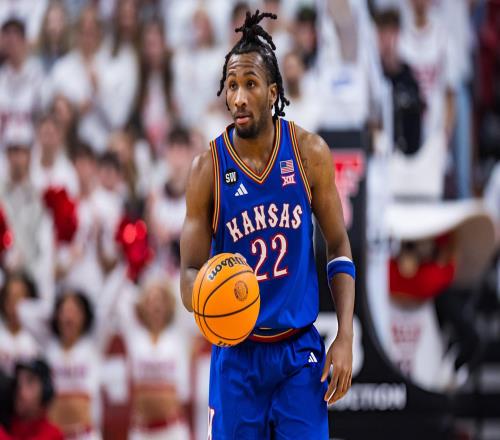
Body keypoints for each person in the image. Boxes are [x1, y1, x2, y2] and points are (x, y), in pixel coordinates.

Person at [180, 10, 355, 439]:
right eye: (232, 86)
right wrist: (206, 296)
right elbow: (188, 271)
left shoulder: (309, 153)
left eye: (250, 84)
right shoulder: (207, 169)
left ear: (273, 92)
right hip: (237, 355)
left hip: (298, 352)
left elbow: (338, 245)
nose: (239, 97)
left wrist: (345, 336)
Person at [5, 358, 63, 440]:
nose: (20, 390)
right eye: (18, 382)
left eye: (30, 382)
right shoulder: (5, 428)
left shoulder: (53, 435)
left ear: (46, 392)